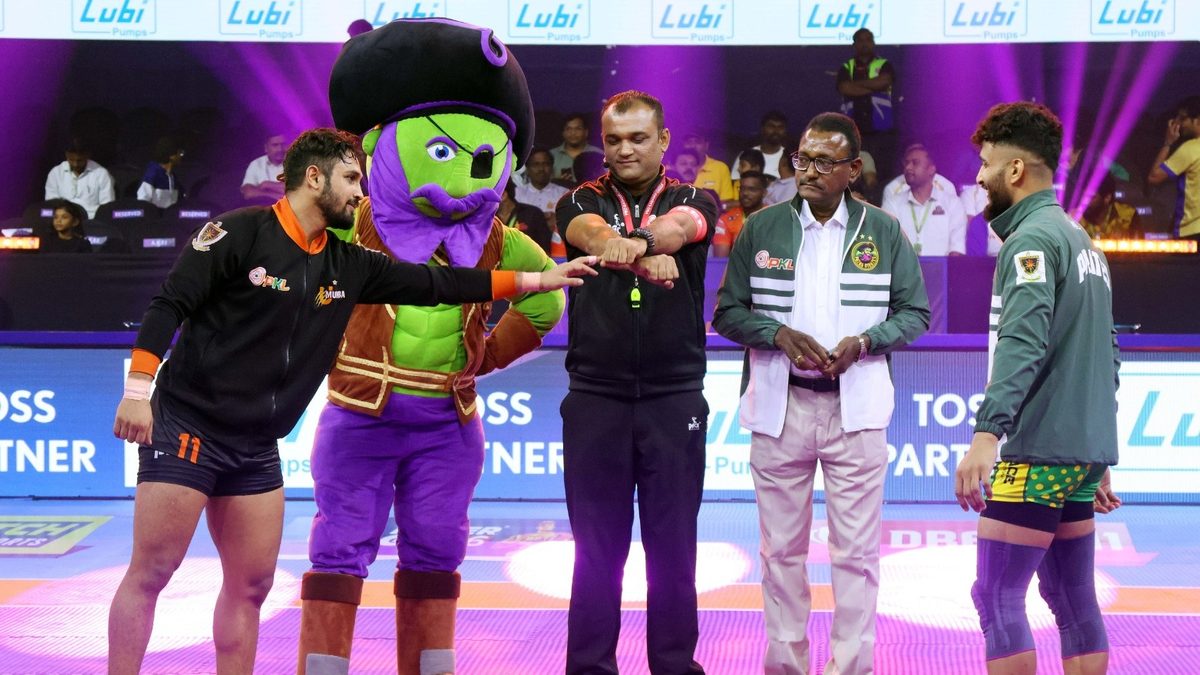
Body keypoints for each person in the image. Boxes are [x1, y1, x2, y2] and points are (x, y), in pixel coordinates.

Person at [107, 128, 596, 675]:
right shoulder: (239, 232)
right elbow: (169, 304)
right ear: (314, 178)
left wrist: (537, 279)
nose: (361, 192)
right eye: (350, 178)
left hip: (257, 443)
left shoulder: (349, 263)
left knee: (250, 586)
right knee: (153, 571)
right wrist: (137, 390)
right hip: (189, 425)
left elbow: (439, 284)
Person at [299, 21, 564, 674]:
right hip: (361, 414)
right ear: (379, 145)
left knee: (437, 550)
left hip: (448, 422)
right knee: (338, 548)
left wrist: (485, 357)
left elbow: (547, 300)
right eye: (441, 151)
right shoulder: (354, 226)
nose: (461, 179)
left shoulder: (496, 239)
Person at [712, 112, 929, 675]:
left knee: (856, 554)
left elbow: (916, 313)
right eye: (801, 160)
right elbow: (727, 313)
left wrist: (866, 342)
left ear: (852, 170)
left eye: (823, 162)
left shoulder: (884, 231)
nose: (807, 171)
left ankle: (851, 668)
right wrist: (776, 335)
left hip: (856, 408)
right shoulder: (761, 228)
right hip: (779, 406)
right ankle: (786, 666)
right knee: (780, 553)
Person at [954, 101, 1120, 675]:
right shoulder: (1083, 241)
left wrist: (986, 434)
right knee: (1073, 598)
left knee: (996, 596)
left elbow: (1021, 345)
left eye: (986, 164)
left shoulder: (1029, 242)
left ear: (1016, 169)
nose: (979, 177)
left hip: (1037, 450)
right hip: (1079, 453)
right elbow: (1107, 353)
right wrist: (1097, 451)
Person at [556, 89, 717, 675]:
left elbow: (680, 228)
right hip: (595, 396)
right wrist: (628, 251)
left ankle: (674, 667)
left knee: (673, 551)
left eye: (638, 138)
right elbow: (591, 234)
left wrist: (648, 243)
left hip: (674, 398)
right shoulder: (578, 199)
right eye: (615, 139)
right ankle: (590, 668)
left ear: (663, 140)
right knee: (594, 551)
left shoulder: (694, 197)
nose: (625, 149)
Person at [880, 143, 968, 255]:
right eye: (906, 163)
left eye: (915, 163)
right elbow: (886, 246)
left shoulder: (952, 204)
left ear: (931, 169)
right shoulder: (893, 204)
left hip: (942, 266)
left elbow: (957, 249)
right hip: (903, 266)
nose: (908, 167)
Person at [837, 28, 897, 178]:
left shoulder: (884, 64)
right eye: (860, 40)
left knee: (882, 172)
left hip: (881, 130)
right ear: (854, 44)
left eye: (868, 40)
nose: (865, 44)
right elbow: (845, 87)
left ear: (873, 43)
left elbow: (884, 81)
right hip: (853, 131)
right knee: (855, 173)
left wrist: (856, 85)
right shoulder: (847, 67)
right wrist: (873, 88)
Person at [1147, 95, 1200, 240]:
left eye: (1182, 118)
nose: (1178, 123)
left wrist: (1168, 143)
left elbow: (1153, 177)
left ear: (1197, 120)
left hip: (1191, 231)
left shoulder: (1190, 149)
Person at [44, 140, 115, 219]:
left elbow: (107, 207)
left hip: (91, 221)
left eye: (79, 160)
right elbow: (51, 203)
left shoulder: (101, 173)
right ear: (66, 155)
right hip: (64, 221)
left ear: (87, 155)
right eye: (71, 160)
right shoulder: (56, 173)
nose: (75, 164)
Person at [712, 170, 767, 257]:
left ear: (764, 193)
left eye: (751, 189)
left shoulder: (774, 217)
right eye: (742, 188)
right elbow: (720, 260)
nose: (745, 193)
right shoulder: (725, 219)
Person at [515, 147, 569, 224]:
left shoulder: (564, 193)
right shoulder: (517, 194)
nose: (541, 169)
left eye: (546, 164)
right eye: (536, 164)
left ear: (552, 168)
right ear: (528, 169)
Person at [1079, 172, 1141, 239]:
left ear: (1107, 198)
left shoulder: (1128, 215)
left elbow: (1138, 243)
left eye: (1091, 197)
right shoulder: (1077, 218)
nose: (1085, 202)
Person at [682, 131, 735, 206]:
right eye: (689, 142)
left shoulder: (720, 168)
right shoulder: (675, 167)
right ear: (683, 145)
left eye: (697, 141)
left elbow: (726, 202)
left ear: (706, 145)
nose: (693, 146)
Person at [731, 112, 788, 181]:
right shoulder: (747, 155)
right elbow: (735, 182)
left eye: (780, 127)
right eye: (771, 126)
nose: (776, 131)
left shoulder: (789, 157)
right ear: (762, 129)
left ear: (785, 131)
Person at [550, 113, 603, 183]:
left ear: (586, 132)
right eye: (568, 129)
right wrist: (558, 181)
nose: (573, 133)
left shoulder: (598, 155)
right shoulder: (551, 155)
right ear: (563, 133)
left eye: (578, 129)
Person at [136, 136, 186, 208]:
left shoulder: (174, 178)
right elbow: (142, 204)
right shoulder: (151, 175)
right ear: (171, 156)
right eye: (180, 153)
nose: (181, 156)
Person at [240, 132, 288, 204]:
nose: (280, 149)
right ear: (266, 148)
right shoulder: (256, 164)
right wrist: (273, 195)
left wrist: (266, 184)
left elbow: (296, 190)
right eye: (275, 145)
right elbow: (248, 193)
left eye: (284, 144)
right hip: (264, 208)